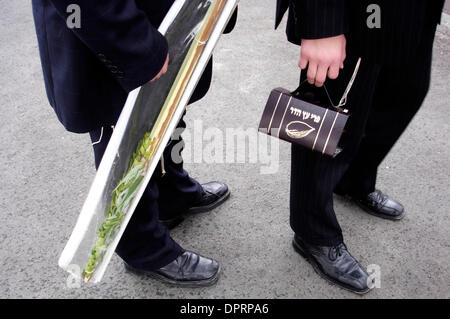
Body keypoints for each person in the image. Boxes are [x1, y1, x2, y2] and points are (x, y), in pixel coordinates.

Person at [32, 0, 237, 287]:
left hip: (160, 14)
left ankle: (171, 192)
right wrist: (135, 43)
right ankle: (142, 247)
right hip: (105, 25)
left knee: (167, 104)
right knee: (122, 133)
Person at [276, 0, 444, 293]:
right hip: (353, 12)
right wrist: (322, 24)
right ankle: (312, 231)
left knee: (406, 91)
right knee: (325, 118)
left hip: (412, 12)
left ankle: (351, 181)